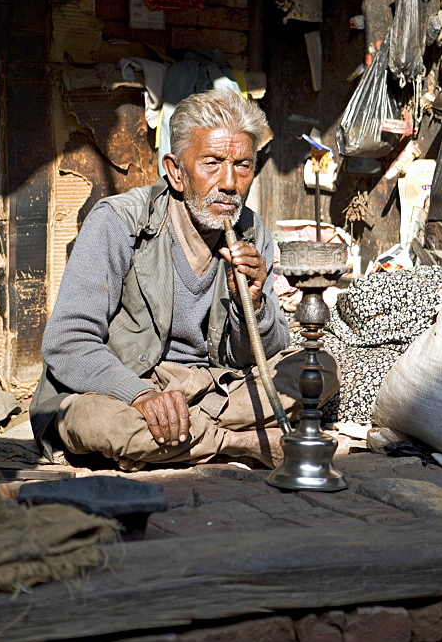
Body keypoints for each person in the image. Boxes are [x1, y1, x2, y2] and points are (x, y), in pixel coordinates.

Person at [30, 89, 338, 469]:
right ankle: (240, 442)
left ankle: (175, 439)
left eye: (243, 165)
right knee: (96, 421)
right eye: (213, 163)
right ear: (175, 171)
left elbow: (258, 355)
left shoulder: (251, 231)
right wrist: (139, 395)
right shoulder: (118, 221)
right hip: (125, 387)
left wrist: (253, 304)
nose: (229, 182)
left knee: (317, 370)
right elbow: (68, 342)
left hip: (211, 386)